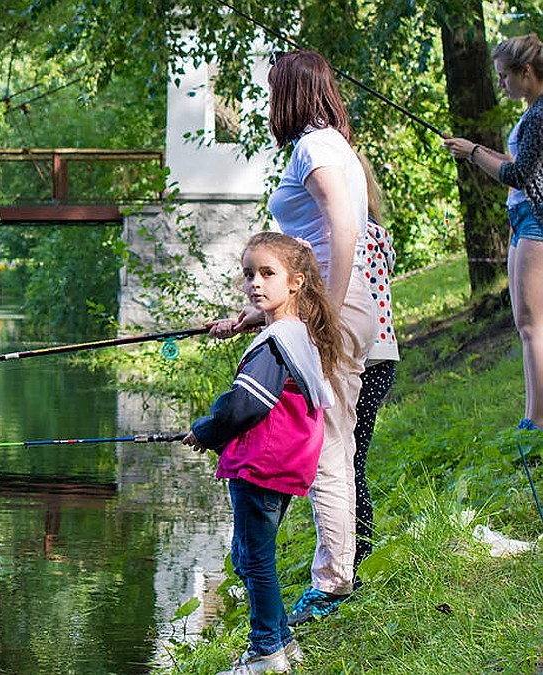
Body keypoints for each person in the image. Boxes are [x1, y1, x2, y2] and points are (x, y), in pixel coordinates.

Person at [209, 49, 378, 625]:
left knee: (329, 449)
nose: (267, 96)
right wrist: (251, 317)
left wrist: (325, 307)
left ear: (293, 89)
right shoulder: (332, 144)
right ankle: (332, 573)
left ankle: (332, 584)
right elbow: (304, 251)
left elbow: (344, 227)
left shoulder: (315, 145)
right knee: (335, 445)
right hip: (325, 305)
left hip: (333, 306)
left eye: (273, 85)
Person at [186, 232, 343, 674]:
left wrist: (205, 430)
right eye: (249, 274)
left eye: (267, 274)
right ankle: (282, 640)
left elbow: (243, 405)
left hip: (261, 464)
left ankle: (264, 653)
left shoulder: (276, 345)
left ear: (295, 282)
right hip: (282, 465)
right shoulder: (296, 333)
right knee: (248, 555)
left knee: (254, 559)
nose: (255, 283)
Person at [443, 34, 543, 432]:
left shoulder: (539, 115)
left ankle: (536, 421)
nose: (500, 84)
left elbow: (517, 174)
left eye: (504, 77)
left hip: (536, 220)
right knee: (524, 324)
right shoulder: (529, 113)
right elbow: (515, 165)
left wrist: (472, 152)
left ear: (527, 71)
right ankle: (532, 414)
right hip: (521, 220)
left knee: (534, 325)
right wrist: (478, 151)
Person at [353, 157, 400, 578]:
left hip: (367, 358)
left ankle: (360, 553)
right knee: (353, 459)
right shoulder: (380, 235)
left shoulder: (354, 238)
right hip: (382, 359)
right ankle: (357, 551)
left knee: (349, 461)